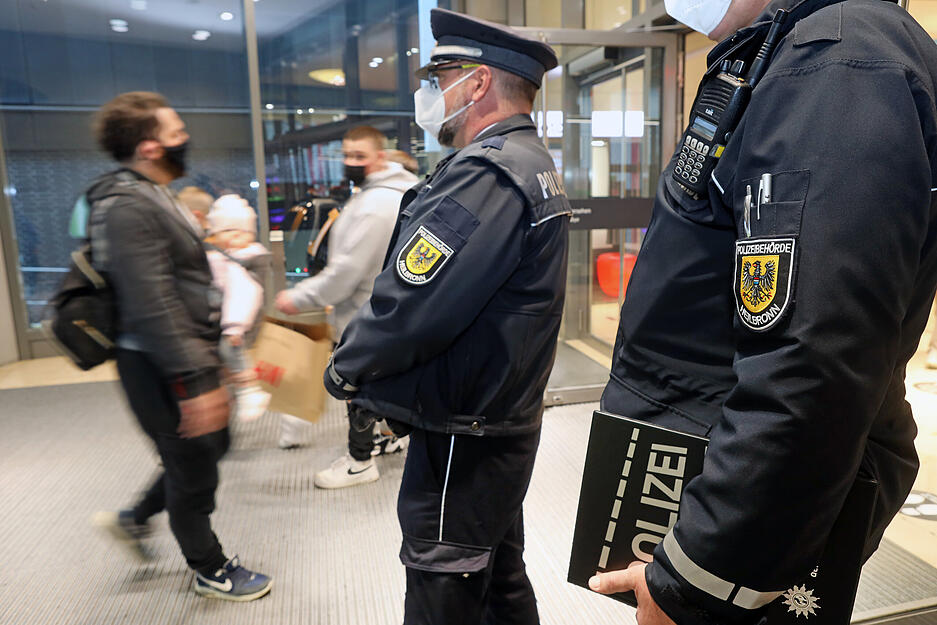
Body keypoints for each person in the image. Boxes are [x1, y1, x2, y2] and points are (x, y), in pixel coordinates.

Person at [587, 1, 937, 623]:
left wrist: (698, 575)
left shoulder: (836, 64)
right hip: (719, 465)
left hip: (750, 506)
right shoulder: (794, 49)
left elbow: (813, 362)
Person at [322, 9, 571, 623]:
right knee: (498, 574)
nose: (426, 94)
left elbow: (413, 303)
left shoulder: (485, 175)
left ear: (478, 83)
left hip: (466, 425)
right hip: (498, 416)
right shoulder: (528, 163)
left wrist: (347, 368)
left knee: (445, 582)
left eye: (438, 78)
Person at [88, 92, 271, 602]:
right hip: (156, 361)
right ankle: (210, 568)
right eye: (175, 131)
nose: (184, 137)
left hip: (176, 352)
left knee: (209, 446)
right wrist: (194, 381)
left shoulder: (149, 192)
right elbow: (152, 305)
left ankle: (135, 518)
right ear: (149, 147)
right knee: (194, 465)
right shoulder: (128, 205)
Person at [274, 125, 418, 476]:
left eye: (359, 156)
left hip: (364, 314)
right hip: (385, 312)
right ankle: (389, 438)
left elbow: (346, 273)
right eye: (347, 155)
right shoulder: (386, 193)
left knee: (356, 390)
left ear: (379, 157)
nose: (351, 163)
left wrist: (301, 296)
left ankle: (359, 462)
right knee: (379, 384)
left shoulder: (375, 203)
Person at [203, 193, 272, 422]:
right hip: (228, 320)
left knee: (229, 352)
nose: (233, 237)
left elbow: (242, 295)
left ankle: (249, 391)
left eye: (239, 232)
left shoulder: (242, 262)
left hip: (237, 323)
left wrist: (235, 327)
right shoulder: (225, 257)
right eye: (226, 232)